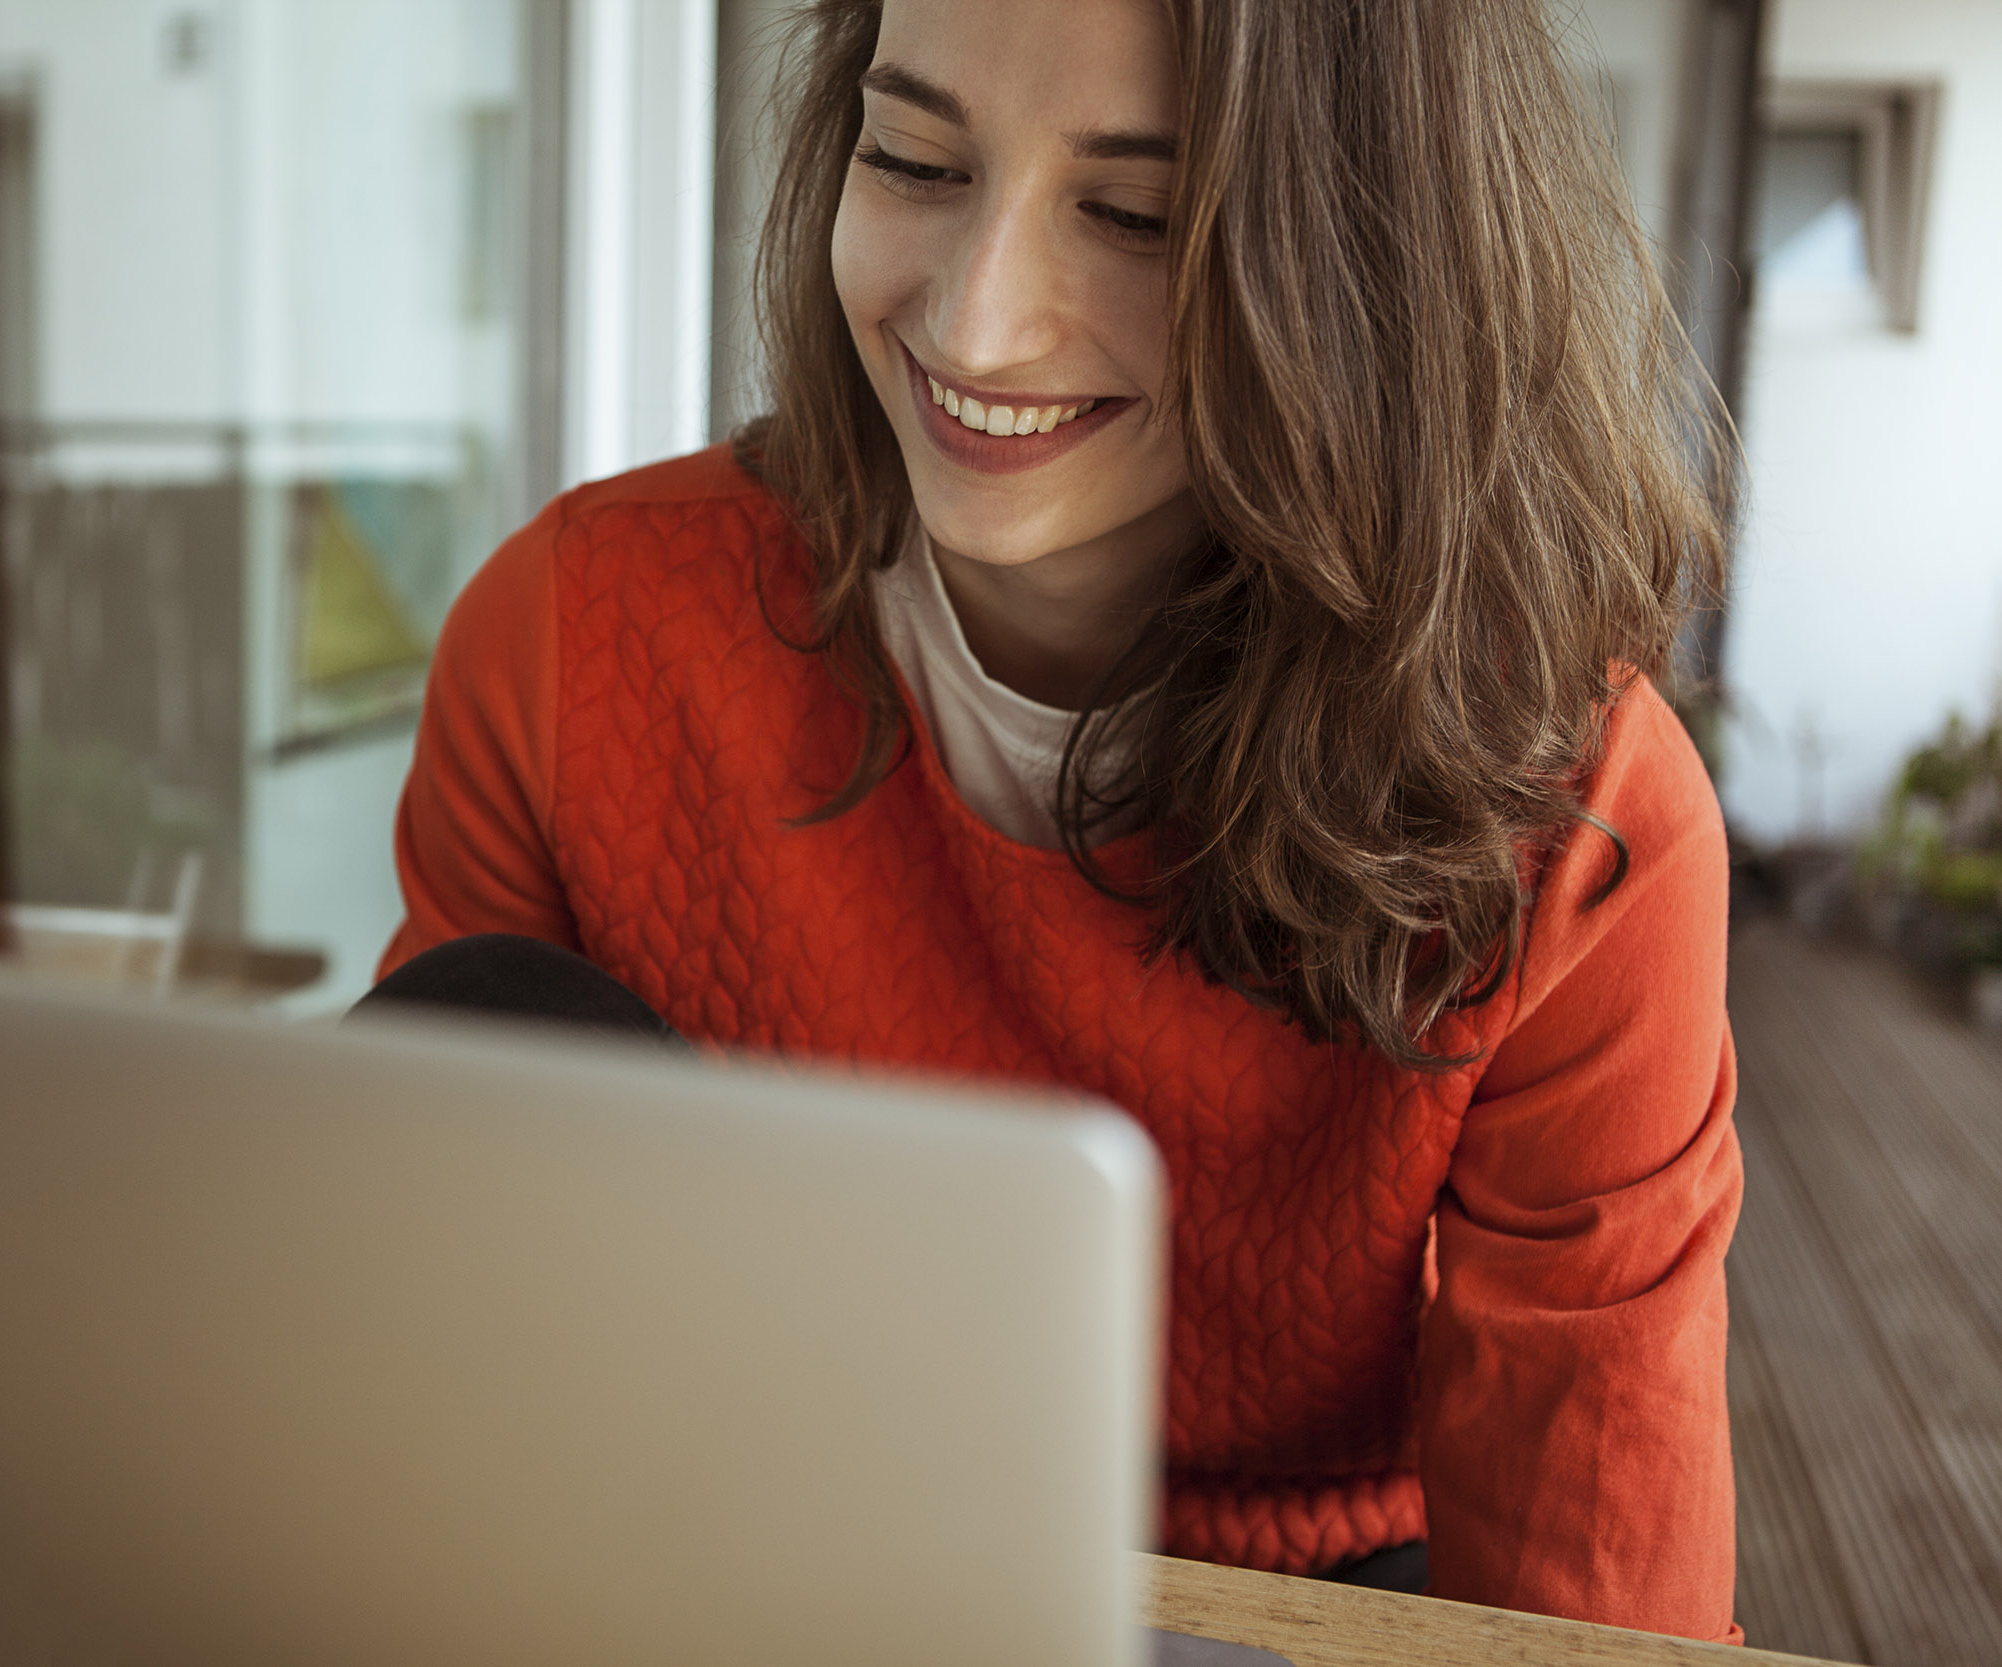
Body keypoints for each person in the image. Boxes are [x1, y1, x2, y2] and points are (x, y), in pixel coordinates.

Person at [364, 0, 1741, 1642]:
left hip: (1298, 1603)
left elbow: (1592, 1600)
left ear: (1369, 270)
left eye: (1135, 212)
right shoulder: (568, 640)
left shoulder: (1574, 816)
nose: (977, 322)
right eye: (916, 159)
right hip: (744, 1569)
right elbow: (427, 1356)